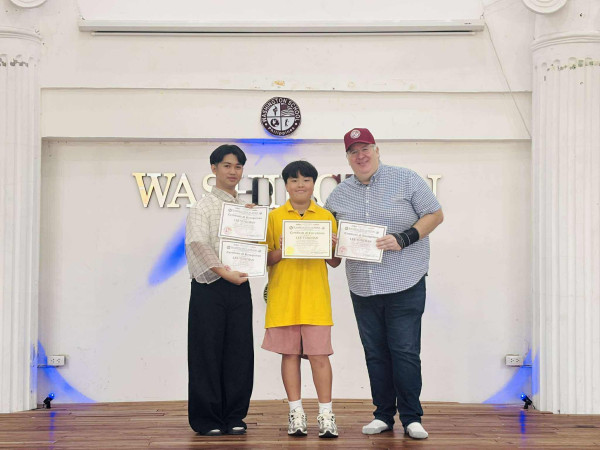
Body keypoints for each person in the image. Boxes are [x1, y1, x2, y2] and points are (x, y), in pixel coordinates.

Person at [324, 128, 443, 440]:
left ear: (377, 150)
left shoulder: (406, 179)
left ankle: (412, 418)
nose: (360, 156)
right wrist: (326, 244)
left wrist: (404, 238)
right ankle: (383, 415)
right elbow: (333, 256)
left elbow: (435, 214)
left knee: (404, 351)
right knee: (375, 353)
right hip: (363, 286)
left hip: (405, 280)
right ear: (347, 158)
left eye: (365, 149)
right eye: (353, 151)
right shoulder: (338, 195)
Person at [261, 160, 341, 438]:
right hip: (284, 298)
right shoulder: (273, 217)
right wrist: (281, 250)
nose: (300, 185)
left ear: (313, 184)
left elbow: (335, 262)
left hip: (316, 299)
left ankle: (326, 415)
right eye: (294, 180)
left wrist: (334, 247)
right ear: (285, 185)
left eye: (306, 180)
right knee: (290, 355)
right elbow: (263, 258)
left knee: (320, 356)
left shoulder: (326, 216)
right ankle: (296, 413)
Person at [185, 144, 254, 436]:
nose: (233, 171)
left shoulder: (245, 210)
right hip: (209, 288)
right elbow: (197, 243)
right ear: (214, 168)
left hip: (240, 287)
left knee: (240, 353)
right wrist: (225, 272)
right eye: (227, 165)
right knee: (206, 353)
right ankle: (207, 419)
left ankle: (234, 415)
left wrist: (255, 225)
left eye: (238, 166)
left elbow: (253, 248)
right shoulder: (202, 207)